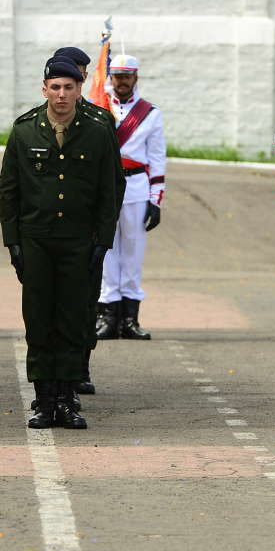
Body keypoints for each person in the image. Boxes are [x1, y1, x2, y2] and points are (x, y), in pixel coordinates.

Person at [0, 56, 119, 429]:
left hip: (79, 241)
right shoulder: (24, 130)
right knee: (38, 320)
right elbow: (9, 189)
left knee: (72, 319)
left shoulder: (98, 132)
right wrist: (12, 241)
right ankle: (43, 399)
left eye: (69, 87)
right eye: (55, 87)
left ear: (79, 89)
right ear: (44, 89)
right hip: (37, 241)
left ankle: (68, 400)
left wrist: (103, 239)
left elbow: (111, 188)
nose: (62, 95)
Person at [50, 44, 125, 393]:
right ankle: (55, 373)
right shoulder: (37, 122)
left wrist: (103, 233)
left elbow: (113, 183)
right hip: (49, 234)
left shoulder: (99, 121)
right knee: (50, 307)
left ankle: (80, 366)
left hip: (86, 233)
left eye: (79, 75)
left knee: (84, 304)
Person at [95, 54, 165, 339]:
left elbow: (157, 158)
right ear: (110, 77)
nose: (122, 81)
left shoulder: (150, 113)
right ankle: (108, 316)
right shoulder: (99, 108)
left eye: (127, 76)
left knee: (133, 253)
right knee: (106, 252)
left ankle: (130, 319)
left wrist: (156, 198)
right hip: (105, 189)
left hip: (136, 187)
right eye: (117, 76)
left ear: (136, 78)